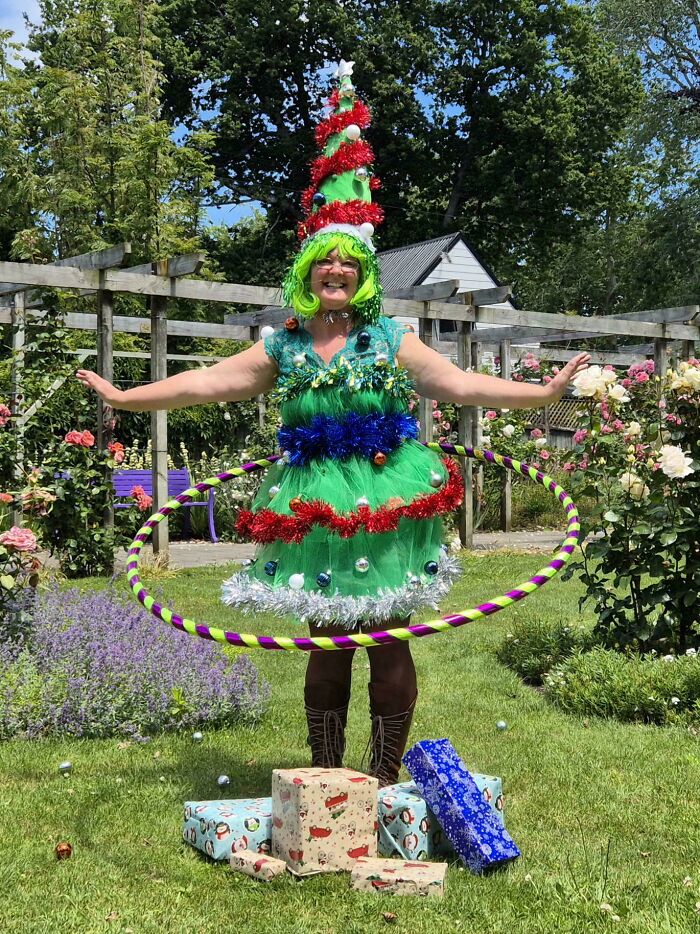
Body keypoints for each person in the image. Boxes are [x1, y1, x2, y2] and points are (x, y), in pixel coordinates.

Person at [76, 64, 589, 786]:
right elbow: (205, 382)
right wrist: (129, 397)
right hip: (313, 501)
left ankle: (379, 777)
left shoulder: (389, 338)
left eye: (349, 264)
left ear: (364, 276)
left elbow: (461, 383)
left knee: (389, 642)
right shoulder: (281, 344)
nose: (336, 274)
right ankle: (326, 774)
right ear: (308, 274)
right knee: (326, 640)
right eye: (325, 264)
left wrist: (541, 395)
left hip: (384, 499)